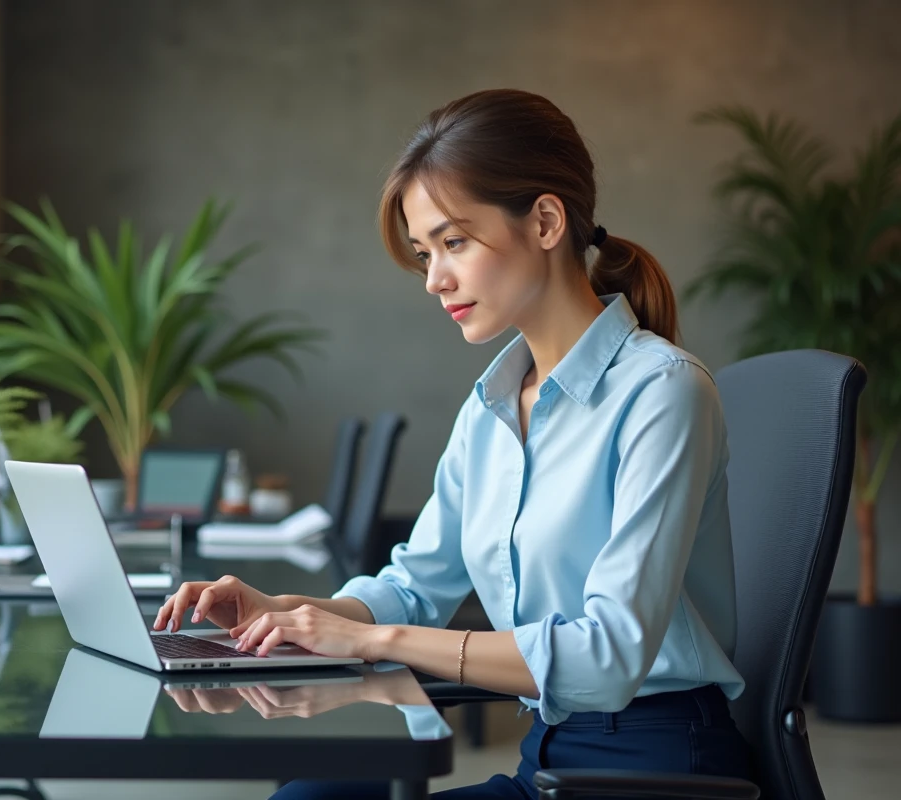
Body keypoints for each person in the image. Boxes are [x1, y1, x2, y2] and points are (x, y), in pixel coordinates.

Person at [153, 88, 754, 799]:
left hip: (655, 769)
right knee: (310, 795)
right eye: (423, 253)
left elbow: (610, 656)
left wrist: (373, 643)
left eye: (454, 242)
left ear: (547, 221)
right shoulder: (490, 409)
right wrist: (286, 615)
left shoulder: (664, 393)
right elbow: (414, 587)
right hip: (551, 761)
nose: (435, 279)